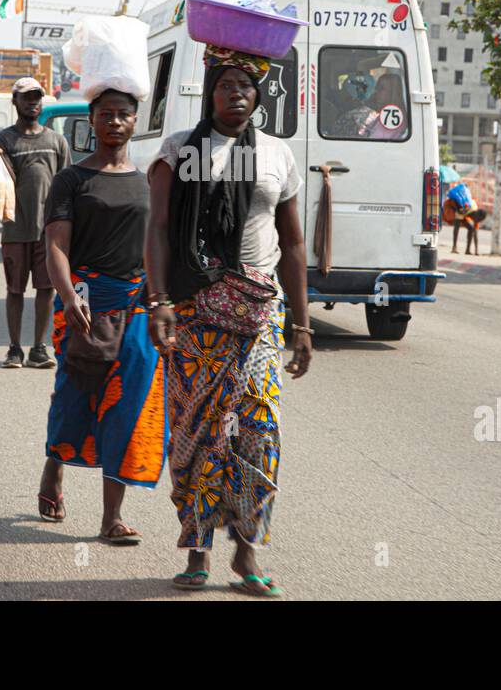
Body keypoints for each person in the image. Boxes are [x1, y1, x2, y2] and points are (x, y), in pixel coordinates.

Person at [145, 45, 312, 597]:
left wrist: (303, 326)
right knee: (197, 433)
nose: (235, 93)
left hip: (259, 313)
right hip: (195, 312)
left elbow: (292, 243)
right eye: (224, 85)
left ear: (258, 95)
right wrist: (159, 298)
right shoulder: (178, 152)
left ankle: (246, 552)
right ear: (209, 92)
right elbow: (161, 230)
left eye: (244, 85)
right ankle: (197, 551)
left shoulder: (276, 156)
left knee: (257, 431)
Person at [36, 88, 166, 542]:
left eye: (123, 115)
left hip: (135, 306)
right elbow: (54, 245)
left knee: (128, 405)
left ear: (135, 122)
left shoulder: (149, 180)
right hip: (83, 303)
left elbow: (158, 245)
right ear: (91, 120)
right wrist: (68, 297)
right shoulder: (71, 180)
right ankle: (55, 465)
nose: (114, 122)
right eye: (105, 114)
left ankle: (112, 516)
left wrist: (158, 299)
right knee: (75, 396)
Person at [0, 77, 70, 369]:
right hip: (15, 229)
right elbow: (0, 180)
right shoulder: (3, 141)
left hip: (48, 232)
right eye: (26, 97)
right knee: (15, 291)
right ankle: (13, 349)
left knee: (46, 289)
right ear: (15, 102)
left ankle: (38, 348)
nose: (32, 102)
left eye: (36, 97)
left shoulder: (56, 141)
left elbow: (66, 184)